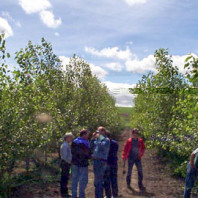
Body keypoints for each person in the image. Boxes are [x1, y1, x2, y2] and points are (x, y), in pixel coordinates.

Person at [90, 126, 110, 198]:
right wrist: (93, 138)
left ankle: (99, 196)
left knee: (99, 180)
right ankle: (97, 196)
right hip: (95, 161)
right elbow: (91, 146)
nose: (97, 133)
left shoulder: (106, 140)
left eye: (99, 131)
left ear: (103, 132)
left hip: (101, 161)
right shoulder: (98, 139)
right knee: (96, 180)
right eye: (97, 131)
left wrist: (98, 138)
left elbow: (102, 146)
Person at [71, 129, 91, 198]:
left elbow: (72, 152)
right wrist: (90, 157)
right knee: (83, 180)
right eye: (87, 134)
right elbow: (87, 153)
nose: (88, 136)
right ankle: (81, 195)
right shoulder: (85, 143)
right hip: (83, 163)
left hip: (75, 163)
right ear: (84, 135)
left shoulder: (74, 141)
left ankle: (74, 195)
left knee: (74, 180)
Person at [104, 131, 119, 198]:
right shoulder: (115, 143)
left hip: (109, 163)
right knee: (112, 180)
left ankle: (109, 195)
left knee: (108, 180)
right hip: (113, 163)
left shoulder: (108, 143)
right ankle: (113, 195)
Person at [60, 132, 74, 197]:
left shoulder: (66, 145)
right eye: (71, 137)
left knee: (65, 178)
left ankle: (64, 192)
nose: (71, 139)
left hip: (65, 163)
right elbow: (65, 156)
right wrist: (69, 162)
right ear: (67, 137)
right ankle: (64, 193)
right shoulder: (65, 145)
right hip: (65, 163)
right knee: (64, 178)